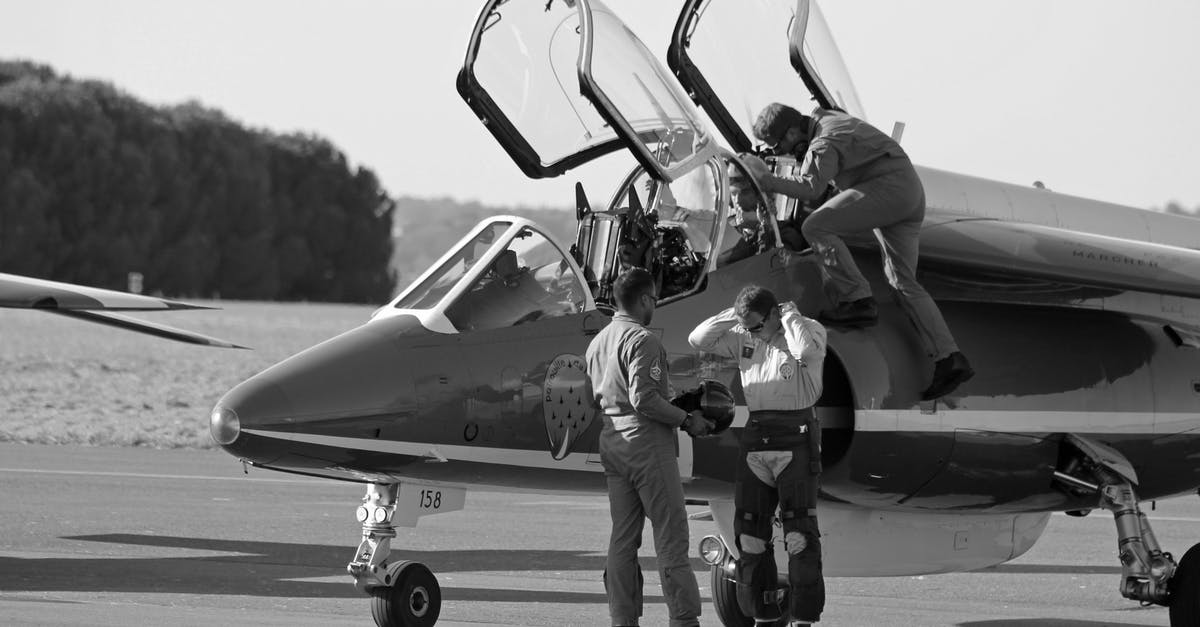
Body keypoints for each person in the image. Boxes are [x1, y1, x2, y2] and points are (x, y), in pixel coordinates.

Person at [747, 102, 973, 400]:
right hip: (908, 192)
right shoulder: (829, 119)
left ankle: (857, 299)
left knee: (816, 226)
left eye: (780, 144)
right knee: (901, 281)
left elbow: (812, 188)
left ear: (792, 131)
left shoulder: (823, 143)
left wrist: (764, 180)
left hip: (887, 189)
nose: (783, 151)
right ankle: (950, 358)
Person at [689, 285, 827, 626]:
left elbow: (806, 353)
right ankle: (762, 616)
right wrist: (736, 316)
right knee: (750, 536)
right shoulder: (744, 336)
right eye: (745, 326)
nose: (750, 332)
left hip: (795, 437)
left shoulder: (806, 329)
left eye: (756, 325)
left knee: (798, 535)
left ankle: (803, 619)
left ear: (775, 315)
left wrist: (790, 316)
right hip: (757, 438)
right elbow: (699, 338)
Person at [585, 267, 714, 627]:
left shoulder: (598, 341)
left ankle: (622, 618)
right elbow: (646, 400)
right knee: (671, 535)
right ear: (643, 299)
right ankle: (684, 619)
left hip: (612, 441)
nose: (654, 305)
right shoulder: (644, 340)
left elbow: (590, 398)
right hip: (646, 442)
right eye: (655, 299)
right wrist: (688, 420)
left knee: (622, 539)